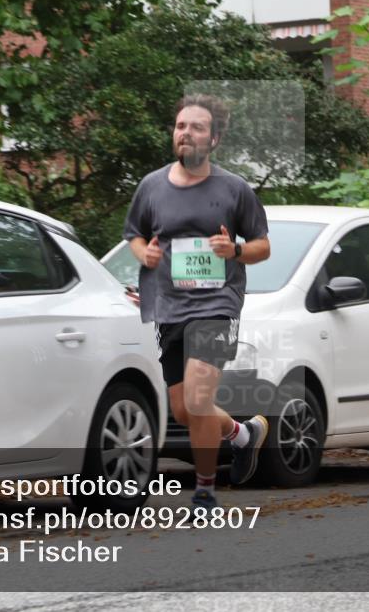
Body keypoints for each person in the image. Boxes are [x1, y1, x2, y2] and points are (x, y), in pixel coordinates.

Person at [123, 94, 272, 511]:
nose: (185, 133)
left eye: (196, 127)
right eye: (180, 126)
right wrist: (144, 255)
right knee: (185, 410)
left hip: (216, 306)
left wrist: (235, 251)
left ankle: (205, 492)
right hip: (169, 308)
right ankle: (243, 436)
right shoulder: (151, 187)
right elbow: (134, 234)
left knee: (198, 399)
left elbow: (263, 246)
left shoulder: (234, 189)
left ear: (215, 139)